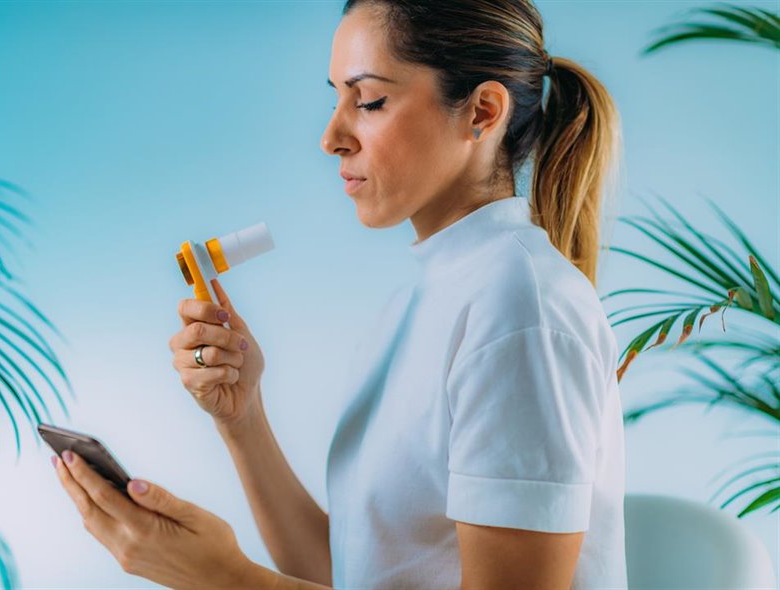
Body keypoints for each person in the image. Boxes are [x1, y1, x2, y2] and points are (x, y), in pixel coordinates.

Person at [52, 1, 627, 588]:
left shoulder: (520, 311)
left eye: (370, 100)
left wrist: (224, 578)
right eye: (336, 97)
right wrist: (242, 418)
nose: (331, 137)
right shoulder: (424, 302)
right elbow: (351, 573)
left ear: (481, 111)